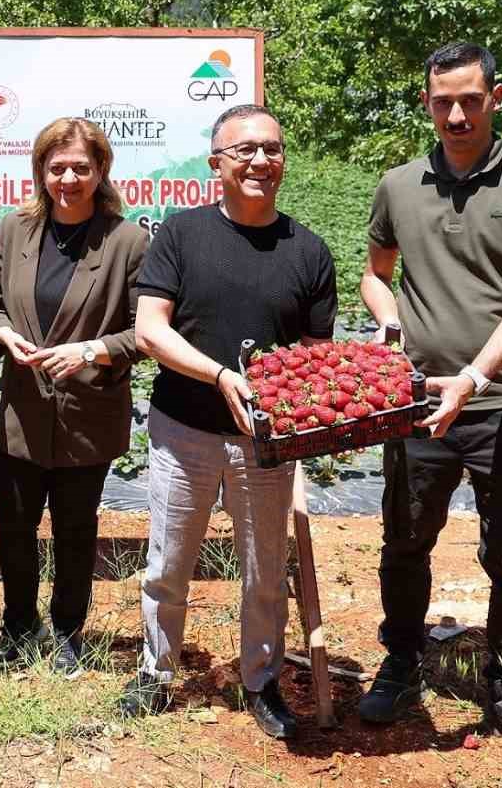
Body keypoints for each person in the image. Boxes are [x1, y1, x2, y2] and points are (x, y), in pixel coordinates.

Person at [356, 42, 502, 772]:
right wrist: (387, 321)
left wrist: (472, 379)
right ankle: (402, 659)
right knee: (405, 538)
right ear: (426, 101)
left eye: (470, 100)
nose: (455, 114)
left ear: (496, 97)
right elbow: (376, 275)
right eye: (442, 100)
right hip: (416, 403)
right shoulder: (398, 184)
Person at [125, 104, 337, 741]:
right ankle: (157, 670)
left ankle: (261, 679)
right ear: (215, 162)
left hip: (265, 442)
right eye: (243, 150)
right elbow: (150, 330)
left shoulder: (308, 250)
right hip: (183, 429)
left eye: (270, 149)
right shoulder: (182, 235)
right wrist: (220, 375)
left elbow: (314, 360)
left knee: (263, 569)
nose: (259, 161)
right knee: (169, 559)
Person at [0, 118, 149, 677]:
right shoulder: (15, 231)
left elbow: (145, 330)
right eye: (57, 168)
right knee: (14, 524)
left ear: (101, 172)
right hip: (23, 410)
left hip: (86, 414)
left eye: (81, 167)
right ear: (40, 172)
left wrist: (91, 351)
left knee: (76, 528)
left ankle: (69, 630)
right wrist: (5, 336)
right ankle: (19, 626)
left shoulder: (128, 242)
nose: (68, 178)